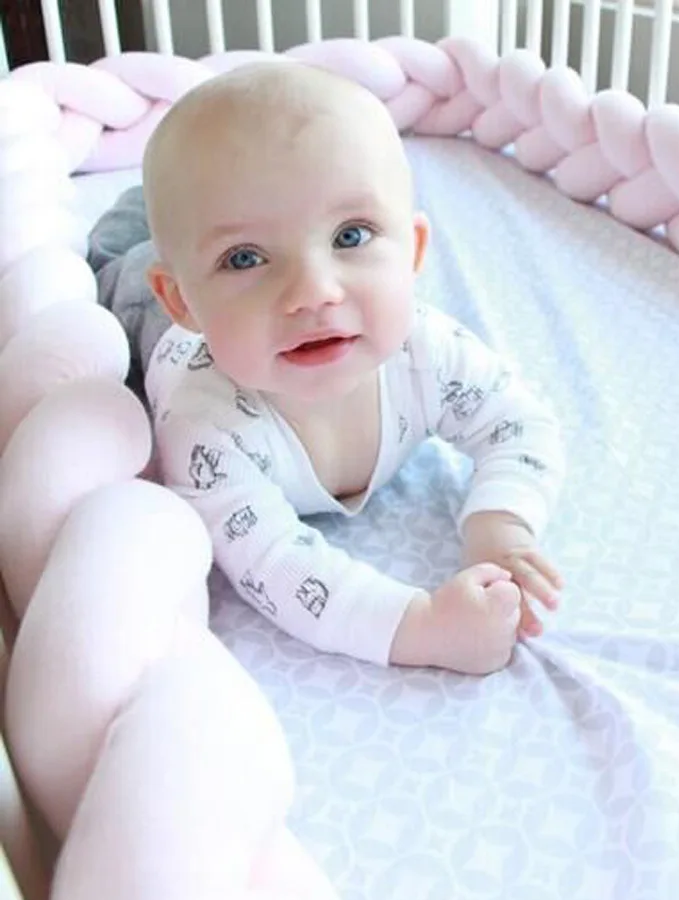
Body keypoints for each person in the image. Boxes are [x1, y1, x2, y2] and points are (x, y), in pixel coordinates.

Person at [98, 60, 566, 674]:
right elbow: (276, 567)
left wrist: (500, 527)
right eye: (244, 258)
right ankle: (139, 217)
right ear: (183, 299)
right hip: (155, 322)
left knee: (194, 210)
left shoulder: (426, 351)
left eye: (351, 236)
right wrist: (420, 628)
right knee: (115, 257)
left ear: (413, 252)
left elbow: (521, 424)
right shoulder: (206, 427)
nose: (314, 292)